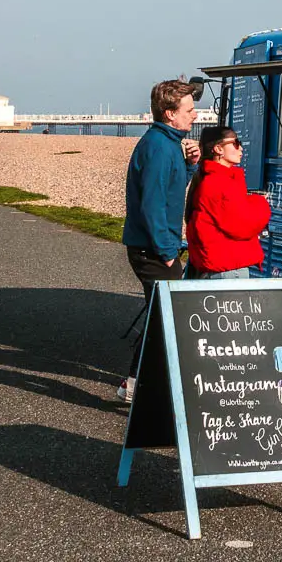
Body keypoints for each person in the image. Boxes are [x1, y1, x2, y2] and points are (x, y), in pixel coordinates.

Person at [118, 79, 200, 403]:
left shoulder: (168, 144)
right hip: (151, 249)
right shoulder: (157, 147)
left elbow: (171, 189)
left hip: (156, 245)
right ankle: (141, 386)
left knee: (160, 316)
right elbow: (151, 204)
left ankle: (135, 384)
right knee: (167, 318)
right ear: (169, 113)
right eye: (189, 110)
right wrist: (167, 251)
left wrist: (190, 165)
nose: (195, 115)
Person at [186, 126, 271, 279]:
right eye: (235, 143)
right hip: (227, 269)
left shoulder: (212, 180)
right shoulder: (219, 183)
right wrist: (261, 203)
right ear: (218, 149)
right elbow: (243, 224)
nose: (241, 148)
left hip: (221, 267)